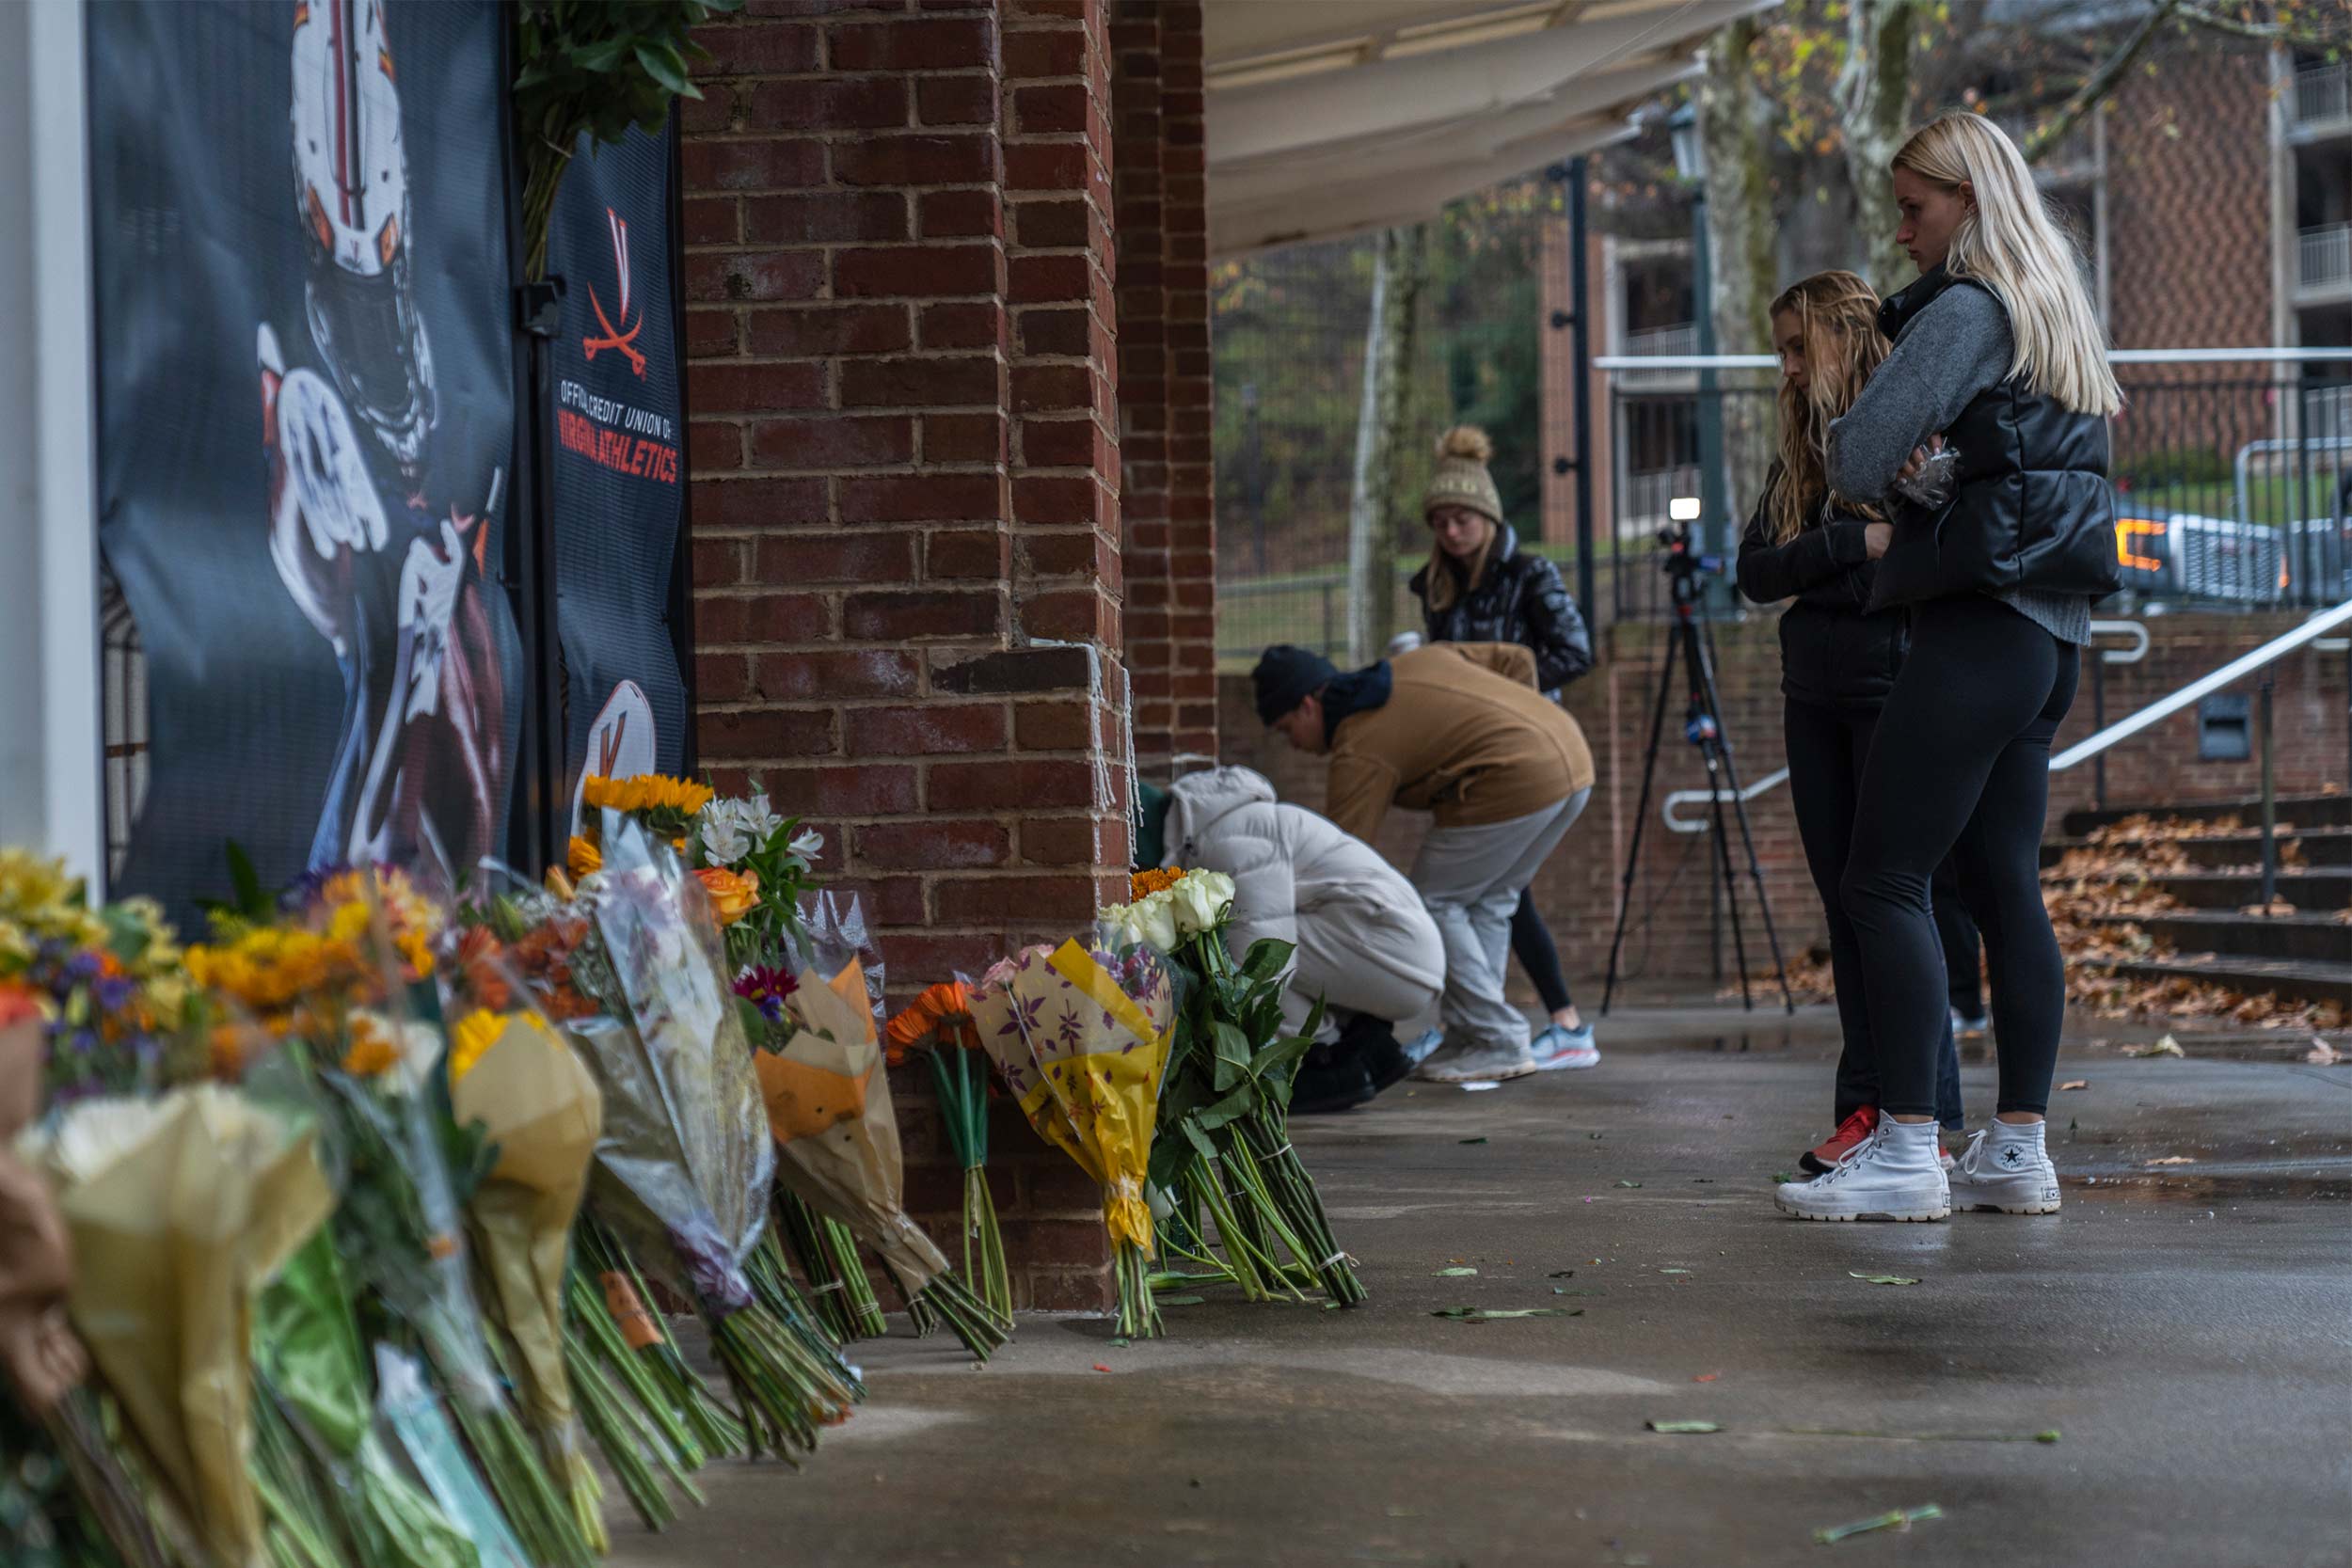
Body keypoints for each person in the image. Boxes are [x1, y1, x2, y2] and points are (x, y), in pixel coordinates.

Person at [1775, 112, 2122, 1223]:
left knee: (1883, 878)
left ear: (1967, 200)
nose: (1901, 229)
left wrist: (1914, 474)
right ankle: (2017, 1148)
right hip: (2051, 635)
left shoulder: (1968, 308)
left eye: (1914, 207)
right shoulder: (2056, 308)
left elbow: (1859, 453)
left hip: (1975, 627)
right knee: (2008, 886)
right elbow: (2017, 462)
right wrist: (1943, 474)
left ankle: (1909, 1148)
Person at [1739, 270, 1972, 1176]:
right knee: (1848, 908)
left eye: (1800, 347)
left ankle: (1918, 1117)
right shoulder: (1800, 447)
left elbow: (1911, 565)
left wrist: (1840, 564)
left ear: (1844, 336)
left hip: (1892, 687)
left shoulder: (1909, 421)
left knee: (1894, 903)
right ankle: (1871, 1110)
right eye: (1781, 352)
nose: (1789, 370)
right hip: (1814, 693)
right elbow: (1756, 571)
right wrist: (1845, 543)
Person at [1251, 640, 1595, 1085]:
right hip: (1571, 755)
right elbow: (1519, 658)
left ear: (1307, 705)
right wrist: (1526, 720)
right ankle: (1475, 1035)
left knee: (1436, 903)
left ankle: (1497, 1037)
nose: (1292, 745)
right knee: (1490, 901)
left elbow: (1336, 859)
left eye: (1285, 729)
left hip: (1516, 777)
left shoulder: (1359, 745)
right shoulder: (1418, 660)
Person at [1407, 424, 1598, 1072]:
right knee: (1497, 895)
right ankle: (1488, 1027)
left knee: (1492, 893)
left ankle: (1546, 1024)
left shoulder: (1528, 574)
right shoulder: (1436, 585)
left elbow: (1576, 652)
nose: (1450, 531)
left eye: (1461, 517)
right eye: (1439, 520)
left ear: (1486, 515)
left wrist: (1496, 683)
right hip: (1466, 756)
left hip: (1527, 753)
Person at [1135, 769, 1445, 1115]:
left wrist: (1244, 1064)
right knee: (1230, 944)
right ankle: (1347, 1047)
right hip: (1394, 949)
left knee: (1236, 951)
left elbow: (1263, 957)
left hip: (1398, 952)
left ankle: (1319, 1059)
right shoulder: (1218, 829)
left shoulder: (1232, 838)